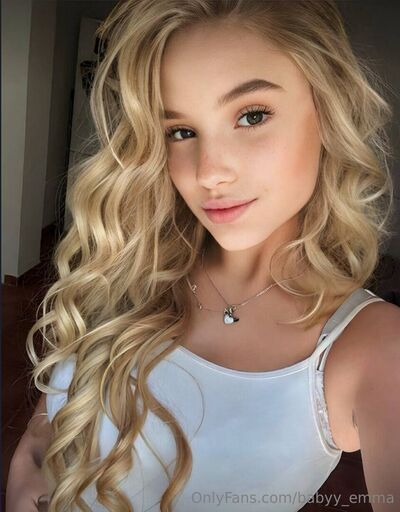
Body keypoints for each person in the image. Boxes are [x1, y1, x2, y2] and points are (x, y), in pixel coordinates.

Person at [6, 0, 400, 510]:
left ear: (328, 112)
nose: (209, 171)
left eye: (251, 116)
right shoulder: (128, 266)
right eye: (181, 131)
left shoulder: (374, 348)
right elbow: (41, 443)